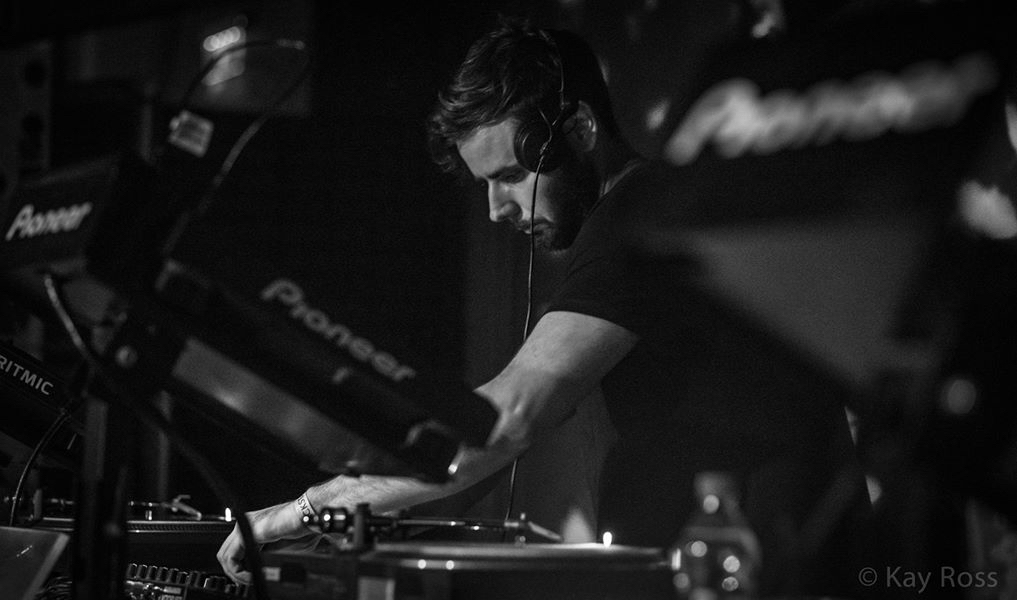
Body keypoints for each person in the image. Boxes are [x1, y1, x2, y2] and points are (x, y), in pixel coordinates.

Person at [217, 17, 870, 598]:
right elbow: (491, 448)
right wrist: (364, 506)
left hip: (753, 570)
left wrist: (308, 508)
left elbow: (509, 418)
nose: (497, 209)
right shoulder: (646, 214)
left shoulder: (635, 225)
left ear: (579, 129)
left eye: (509, 178)